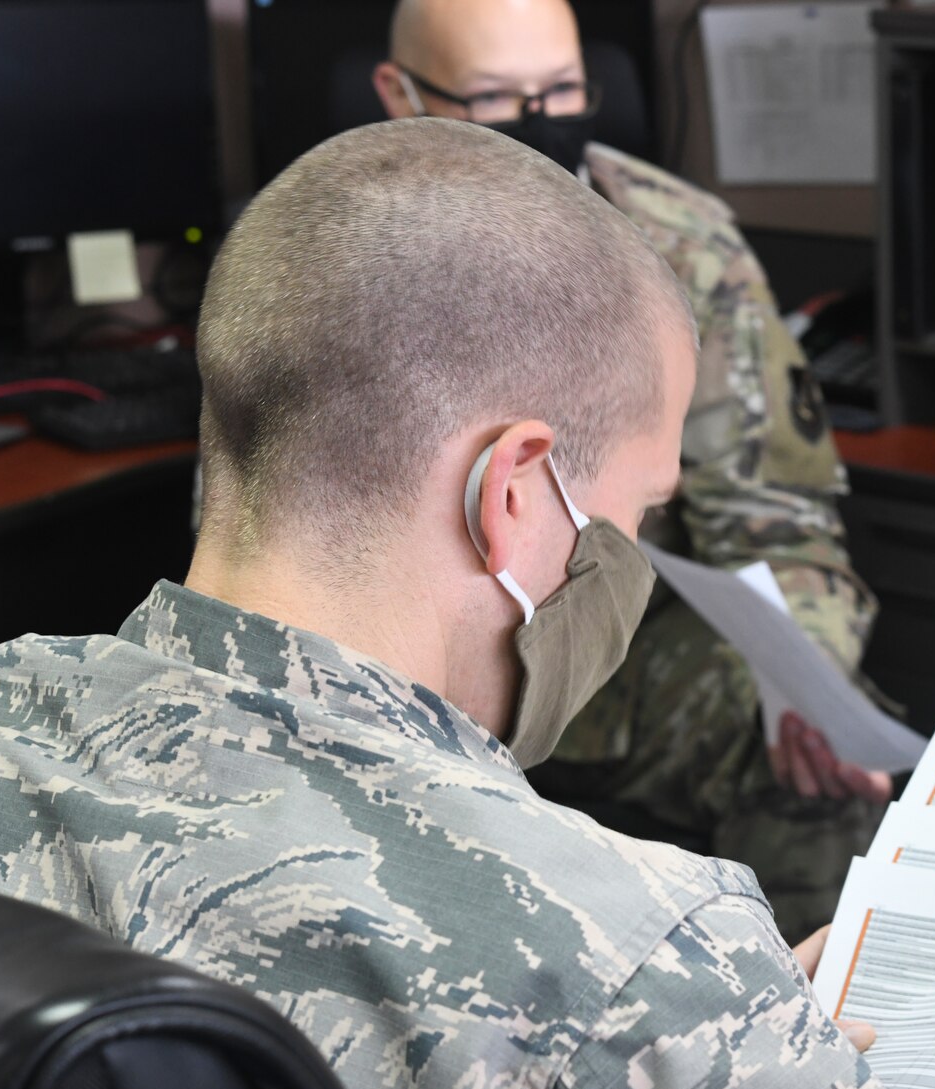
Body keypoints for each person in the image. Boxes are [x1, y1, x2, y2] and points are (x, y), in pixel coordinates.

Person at [0, 117, 935, 1089]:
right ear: (515, 492)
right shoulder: (635, 950)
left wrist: (731, 1025)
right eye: (637, 512)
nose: (628, 562)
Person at [370, 0, 886, 942]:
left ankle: (793, 1018)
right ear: (400, 95)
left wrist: (804, 684)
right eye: (496, 98)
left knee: (815, 760)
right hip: (405, 657)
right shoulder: (334, 250)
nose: (540, 121)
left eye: (564, 90)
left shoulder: (678, 242)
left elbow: (776, 513)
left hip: (616, 659)